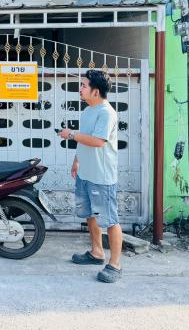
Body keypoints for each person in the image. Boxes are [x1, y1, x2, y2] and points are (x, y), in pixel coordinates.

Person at [58, 69, 123, 283]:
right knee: (90, 215)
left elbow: (98, 141)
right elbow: (84, 140)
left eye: (84, 86)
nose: (80, 88)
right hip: (85, 173)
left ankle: (115, 264)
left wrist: (71, 134)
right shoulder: (87, 111)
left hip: (102, 177)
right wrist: (76, 160)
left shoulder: (106, 113)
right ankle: (97, 252)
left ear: (95, 92)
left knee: (110, 220)